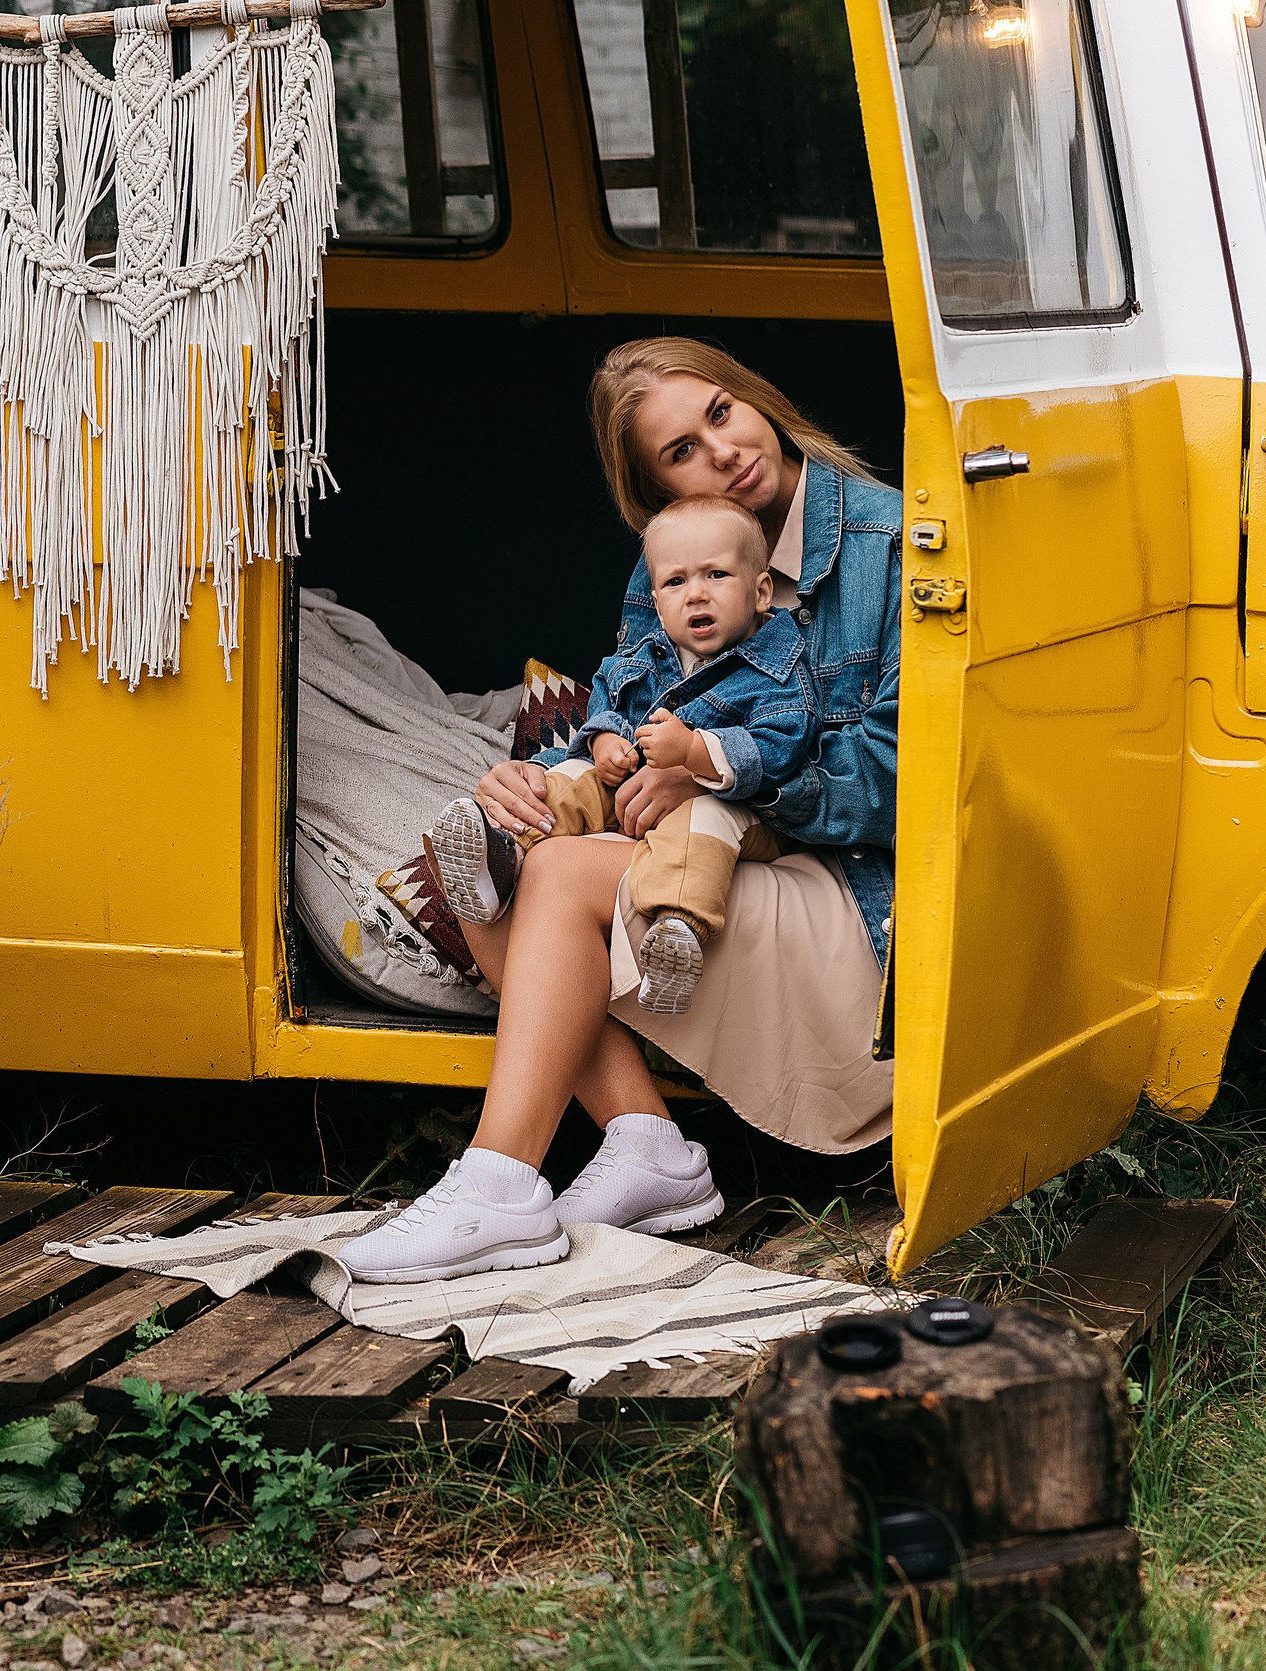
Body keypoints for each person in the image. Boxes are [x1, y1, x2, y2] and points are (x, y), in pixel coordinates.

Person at [340, 340, 899, 1285]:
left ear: (755, 396)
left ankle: (500, 1181)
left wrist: (718, 772)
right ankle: (647, 1145)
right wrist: (536, 772)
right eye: (680, 450)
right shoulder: (679, 551)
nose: (718, 453)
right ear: (655, 488)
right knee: (497, 852)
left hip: (848, 891)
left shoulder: (888, 541)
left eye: (721, 413)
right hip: (717, 853)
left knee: (558, 872)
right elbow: (626, 710)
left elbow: (893, 779)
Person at [424, 494, 816, 1018]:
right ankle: (501, 854)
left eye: (717, 575)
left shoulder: (779, 667)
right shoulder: (648, 652)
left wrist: (695, 753)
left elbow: (785, 744)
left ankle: (675, 935)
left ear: (762, 590)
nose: (696, 594)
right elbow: (609, 696)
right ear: (656, 601)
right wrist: (605, 741)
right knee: (573, 778)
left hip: (740, 809)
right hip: (635, 786)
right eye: (676, 582)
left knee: (704, 824)